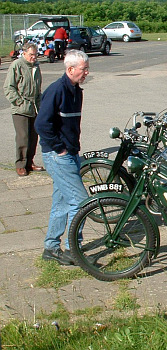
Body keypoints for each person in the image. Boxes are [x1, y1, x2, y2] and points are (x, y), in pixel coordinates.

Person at [34, 50, 90, 266]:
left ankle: (51, 247)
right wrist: (60, 149)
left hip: (71, 154)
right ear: (70, 70)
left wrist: (72, 149)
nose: (86, 73)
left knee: (62, 202)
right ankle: (73, 248)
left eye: (87, 69)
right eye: (83, 69)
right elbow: (41, 125)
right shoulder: (57, 90)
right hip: (58, 156)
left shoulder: (77, 91)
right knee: (81, 202)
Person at [4, 42, 44, 177]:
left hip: (34, 107)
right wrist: (19, 102)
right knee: (23, 137)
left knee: (33, 136)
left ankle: (29, 162)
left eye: (36, 54)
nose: (34, 57)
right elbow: (9, 88)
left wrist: (41, 105)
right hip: (20, 108)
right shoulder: (17, 65)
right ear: (24, 53)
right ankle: (20, 164)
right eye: (31, 54)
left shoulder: (36, 67)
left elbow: (38, 89)